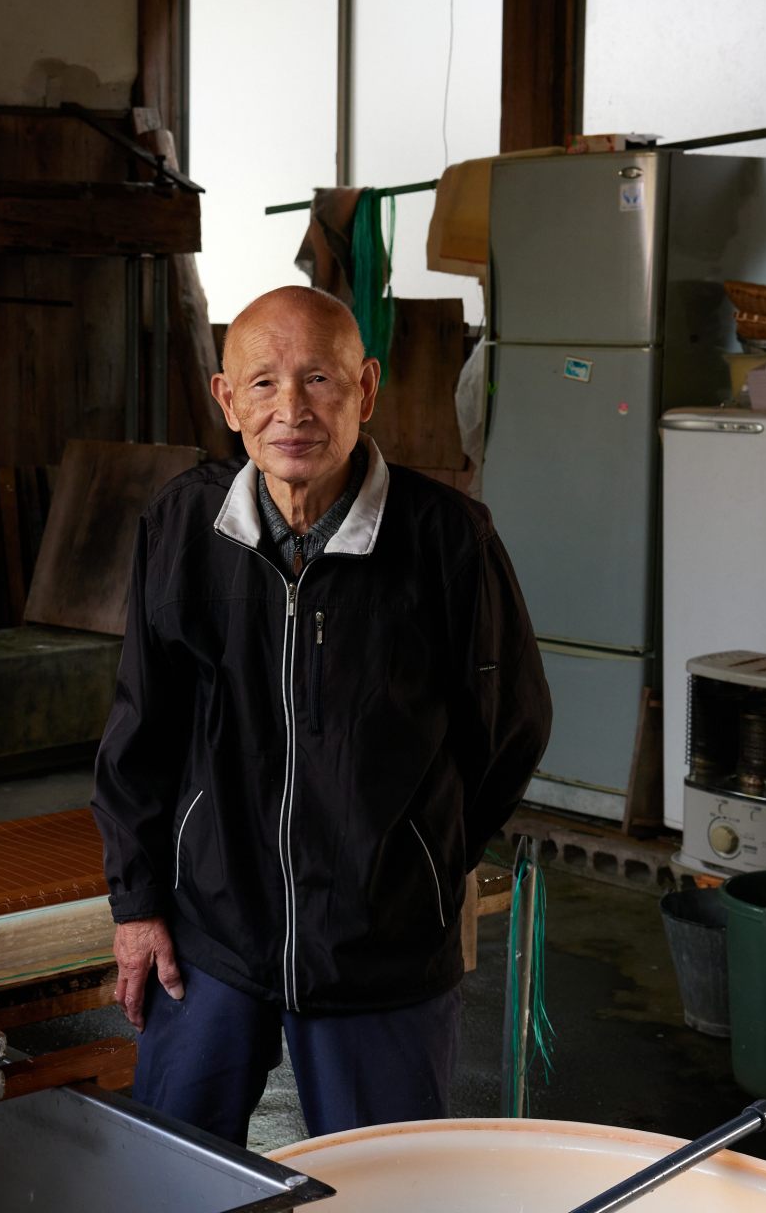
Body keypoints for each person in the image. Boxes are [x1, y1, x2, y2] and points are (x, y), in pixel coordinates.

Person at [92, 285, 551, 1144]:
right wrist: (138, 903)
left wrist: (419, 856)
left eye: (319, 380)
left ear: (366, 391)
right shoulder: (184, 527)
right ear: (227, 402)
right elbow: (140, 730)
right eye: (262, 384)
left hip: (380, 949)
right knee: (170, 1178)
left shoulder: (449, 540)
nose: (290, 410)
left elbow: (510, 726)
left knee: (391, 1194)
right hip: (211, 933)